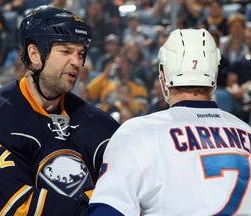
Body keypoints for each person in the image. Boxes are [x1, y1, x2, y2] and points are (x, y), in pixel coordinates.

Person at [0, 5, 120, 215]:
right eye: (65, 51)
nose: (77, 62)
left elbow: (125, 191)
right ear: (34, 54)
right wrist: (93, 208)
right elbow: (16, 206)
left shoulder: (99, 125)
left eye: (80, 53)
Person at [87, 28, 251, 215]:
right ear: (214, 75)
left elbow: (107, 211)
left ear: (163, 75)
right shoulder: (246, 130)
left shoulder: (138, 133)